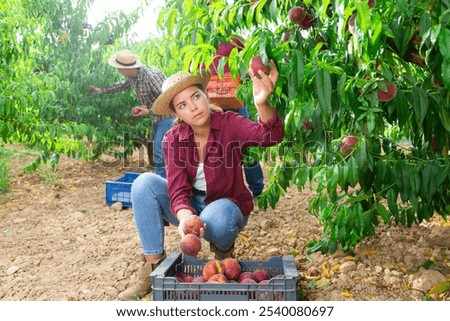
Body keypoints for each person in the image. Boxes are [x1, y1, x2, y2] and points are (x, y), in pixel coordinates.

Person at [117, 60, 284, 300]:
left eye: (195, 97)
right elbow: (176, 190)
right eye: (183, 105)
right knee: (144, 184)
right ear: (177, 113)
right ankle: (152, 271)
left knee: (217, 218)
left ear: (205, 95)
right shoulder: (172, 138)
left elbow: (272, 135)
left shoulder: (229, 123)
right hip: (192, 206)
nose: (193, 108)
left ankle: (223, 253)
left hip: (226, 205)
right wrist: (185, 218)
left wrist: (261, 103)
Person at [90, 49, 173, 178]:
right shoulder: (131, 78)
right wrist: (100, 90)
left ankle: (163, 184)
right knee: (162, 152)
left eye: (119, 68)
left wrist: (148, 110)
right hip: (157, 118)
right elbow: (120, 86)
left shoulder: (151, 77)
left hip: (168, 117)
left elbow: (169, 100)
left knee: (160, 151)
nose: (118, 70)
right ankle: (165, 181)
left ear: (127, 68)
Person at [210, 38, 265, 197]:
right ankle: (229, 191)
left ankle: (257, 188)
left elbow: (250, 56)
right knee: (220, 149)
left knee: (246, 145)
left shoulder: (234, 39)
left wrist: (247, 74)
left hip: (235, 98)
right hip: (213, 101)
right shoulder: (207, 39)